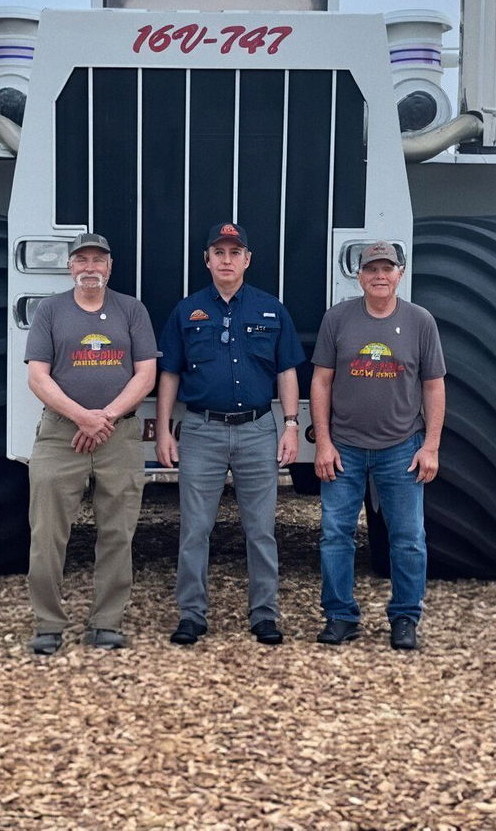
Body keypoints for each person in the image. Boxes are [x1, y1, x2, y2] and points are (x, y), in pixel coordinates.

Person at [156, 222, 305, 645]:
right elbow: (169, 374)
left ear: (247, 260)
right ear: (207, 260)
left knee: (261, 530)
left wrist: (291, 425)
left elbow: (287, 372)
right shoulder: (186, 311)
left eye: (234, 252)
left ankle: (264, 615)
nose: (226, 260)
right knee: (195, 529)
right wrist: (164, 431)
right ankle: (191, 615)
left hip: (257, 431)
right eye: (219, 252)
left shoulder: (271, 309)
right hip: (202, 431)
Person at [24, 232, 160, 654]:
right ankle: (48, 624)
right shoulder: (50, 311)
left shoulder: (132, 310)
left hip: (118, 436)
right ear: (70, 267)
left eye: (98, 260)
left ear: (110, 267)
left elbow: (146, 374)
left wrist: (106, 417)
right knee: (47, 534)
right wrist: (82, 416)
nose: (90, 268)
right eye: (81, 260)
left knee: (118, 532)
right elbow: (38, 377)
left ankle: (107, 623)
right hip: (60, 435)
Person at [311, 241, 445, 651]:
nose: (379, 276)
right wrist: (323, 443)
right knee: (335, 535)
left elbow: (433, 386)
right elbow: (321, 382)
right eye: (371, 269)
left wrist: (431, 447)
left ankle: (405, 618)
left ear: (400, 273)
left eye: (387, 269)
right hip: (345, 448)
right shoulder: (337, 319)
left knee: (408, 538)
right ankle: (340, 617)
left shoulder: (420, 321)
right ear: (359, 276)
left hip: (402, 447)